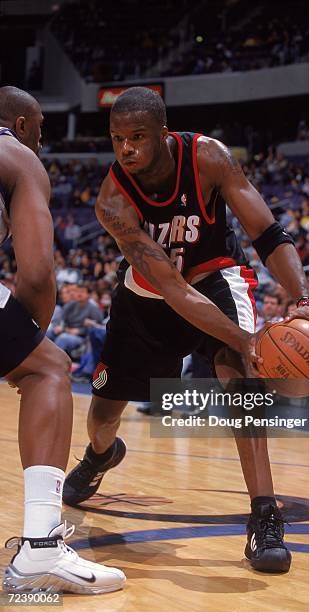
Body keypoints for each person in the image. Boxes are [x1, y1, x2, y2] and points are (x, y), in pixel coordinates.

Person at [63, 87, 309, 574]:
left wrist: (304, 299)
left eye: (138, 137)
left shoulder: (208, 157)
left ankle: (264, 515)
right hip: (149, 298)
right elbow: (170, 287)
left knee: (244, 382)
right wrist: (246, 337)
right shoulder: (112, 199)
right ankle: (100, 456)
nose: (126, 149)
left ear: (163, 135)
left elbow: (268, 233)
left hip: (215, 278)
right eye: (117, 139)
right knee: (104, 415)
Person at [0, 86, 125, 594]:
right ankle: (41, 551)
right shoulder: (18, 155)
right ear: (26, 125)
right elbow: (36, 274)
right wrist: (26, 341)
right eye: (43, 130)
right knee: (47, 368)